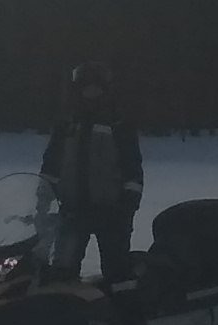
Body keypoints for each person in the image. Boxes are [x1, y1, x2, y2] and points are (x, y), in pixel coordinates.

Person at [39, 60, 143, 287]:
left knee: (118, 274)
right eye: (86, 87)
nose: (91, 92)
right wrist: (42, 200)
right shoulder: (66, 124)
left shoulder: (119, 123)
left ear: (105, 90)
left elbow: (132, 167)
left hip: (112, 211)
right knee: (62, 272)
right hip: (72, 210)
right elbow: (51, 165)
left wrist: (128, 204)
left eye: (96, 87)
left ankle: (128, 317)